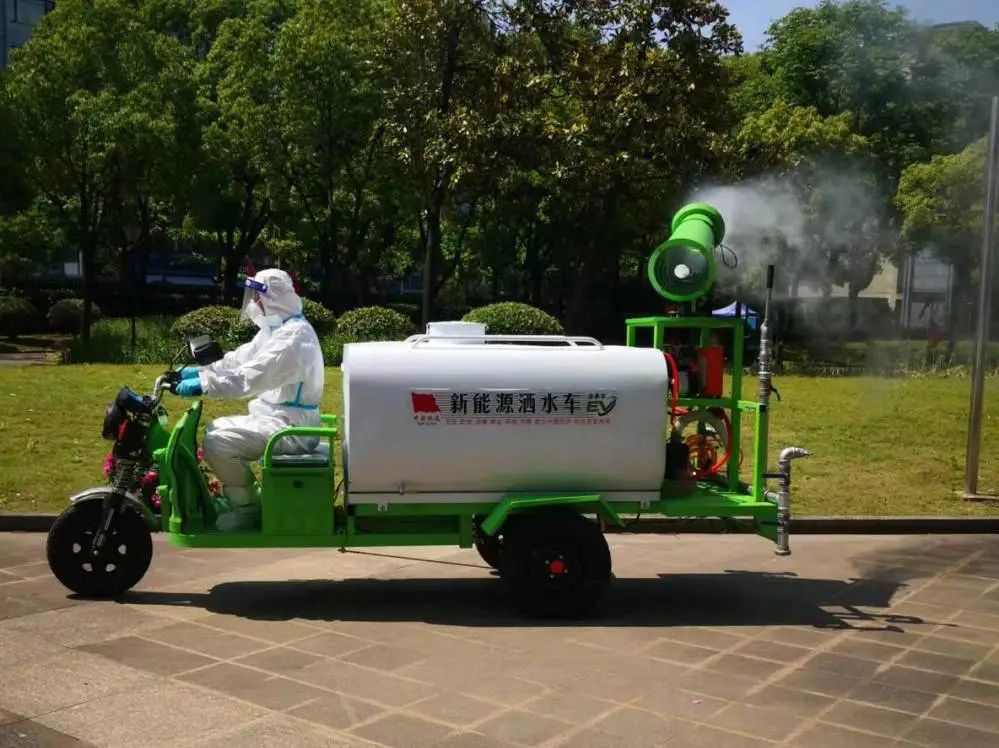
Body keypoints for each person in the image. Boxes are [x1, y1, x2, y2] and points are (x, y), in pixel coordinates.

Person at [174, 268, 325, 531]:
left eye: (256, 296)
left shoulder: (294, 339)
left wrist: (205, 384)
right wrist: (200, 372)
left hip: (290, 428)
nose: (253, 302)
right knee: (215, 428)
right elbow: (240, 359)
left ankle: (249, 510)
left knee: (217, 444)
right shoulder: (278, 329)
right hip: (277, 418)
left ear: (272, 297)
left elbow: (251, 376)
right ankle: (247, 500)